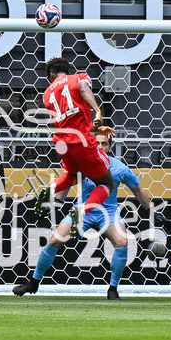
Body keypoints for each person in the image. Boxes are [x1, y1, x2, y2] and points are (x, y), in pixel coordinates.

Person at [14, 133, 152, 300]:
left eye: (104, 144)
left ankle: (113, 289)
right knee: (54, 241)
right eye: (97, 143)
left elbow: (137, 190)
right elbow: (70, 179)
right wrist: (58, 202)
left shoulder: (120, 168)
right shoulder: (84, 164)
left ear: (110, 147)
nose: (100, 147)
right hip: (82, 211)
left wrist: (152, 212)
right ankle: (33, 283)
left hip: (107, 212)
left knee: (122, 242)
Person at [37, 56, 115, 231]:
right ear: (66, 70)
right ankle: (82, 210)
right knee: (107, 184)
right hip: (81, 142)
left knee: (75, 175)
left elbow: (68, 121)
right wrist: (97, 111)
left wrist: (96, 130)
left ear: (51, 74)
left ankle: (51, 189)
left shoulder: (47, 94)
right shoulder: (78, 78)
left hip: (62, 144)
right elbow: (83, 88)